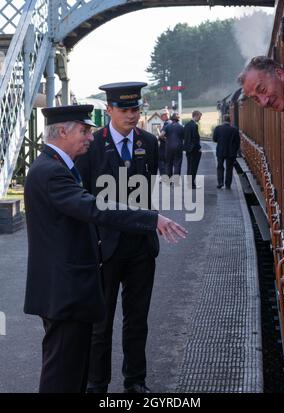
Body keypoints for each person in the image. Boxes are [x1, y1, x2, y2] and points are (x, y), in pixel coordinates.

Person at [24, 104, 187, 393]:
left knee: (72, 371)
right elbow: (96, 208)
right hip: (64, 294)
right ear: (62, 131)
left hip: (67, 292)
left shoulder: (55, 166)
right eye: (84, 131)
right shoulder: (51, 172)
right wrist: (152, 218)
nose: (90, 137)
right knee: (61, 375)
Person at [76, 82, 172, 394]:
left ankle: (135, 381)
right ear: (109, 111)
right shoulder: (93, 145)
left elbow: (147, 191)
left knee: (137, 320)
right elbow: (85, 197)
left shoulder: (148, 142)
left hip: (141, 246)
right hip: (104, 247)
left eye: (135, 109)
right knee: (99, 324)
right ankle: (97, 383)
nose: (132, 116)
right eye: (124, 110)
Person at [212, 114, 240, 190]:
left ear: (223, 120)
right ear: (229, 121)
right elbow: (237, 142)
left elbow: (214, 139)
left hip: (220, 151)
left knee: (220, 167)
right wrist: (235, 150)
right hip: (231, 152)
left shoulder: (218, 128)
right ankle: (228, 184)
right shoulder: (234, 129)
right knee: (229, 168)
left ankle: (220, 183)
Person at [161, 112, 184, 180]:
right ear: (178, 119)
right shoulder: (181, 127)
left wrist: (166, 139)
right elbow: (184, 137)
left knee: (168, 164)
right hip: (178, 147)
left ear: (171, 118)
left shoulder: (167, 126)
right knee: (177, 164)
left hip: (169, 147)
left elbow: (161, 135)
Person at [183, 110, 202, 188]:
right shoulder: (194, 125)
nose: (200, 119)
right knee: (193, 168)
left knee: (189, 167)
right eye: (199, 117)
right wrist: (199, 148)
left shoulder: (186, 125)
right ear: (196, 115)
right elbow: (195, 139)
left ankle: (189, 183)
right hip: (194, 150)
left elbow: (185, 137)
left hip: (188, 149)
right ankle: (192, 185)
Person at [157, 108, 171, 178]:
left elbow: (161, 136)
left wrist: (159, 136)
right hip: (170, 146)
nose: (161, 117)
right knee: (168, 162)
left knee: (160, 161)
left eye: (161, 116)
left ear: (164, 115)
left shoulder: (166, 124)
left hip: (164, 146)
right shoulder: (172, 122)